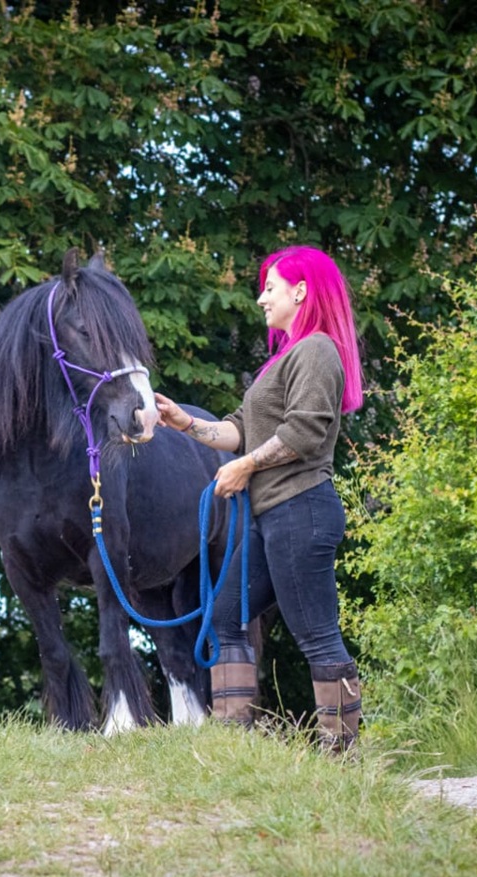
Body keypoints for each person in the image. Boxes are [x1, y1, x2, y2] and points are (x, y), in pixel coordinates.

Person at [154, 245, 364, 752]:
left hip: (301, 509)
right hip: (266, 518)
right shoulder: (283, 360)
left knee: (315, 634)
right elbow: (240, 431)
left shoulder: (316, 350)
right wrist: (186, 424)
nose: (260, 298)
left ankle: (342, 754)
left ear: (300, 291)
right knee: (225, 619)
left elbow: (305, 432)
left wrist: (247, 465)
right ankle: (234, 749)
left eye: (269, 287)